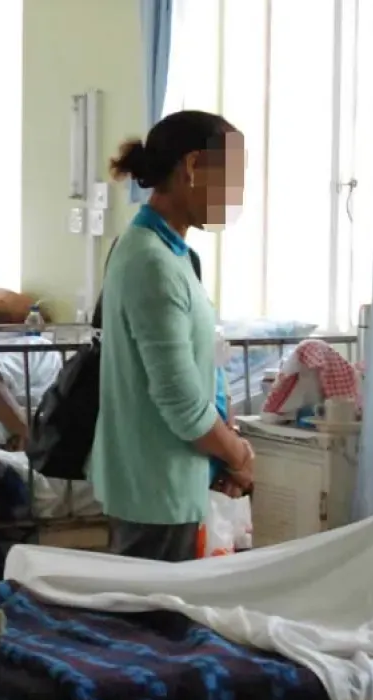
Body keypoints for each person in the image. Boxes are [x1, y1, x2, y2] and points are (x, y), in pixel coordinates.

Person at [91, 110, 254, 562]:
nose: (237, 195)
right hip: (156, 493)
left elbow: (199, 370)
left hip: (170, 484)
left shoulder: (171, 253)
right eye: (233, 177)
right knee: (155, 627)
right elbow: (182, 405)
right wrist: (239, 454)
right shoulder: (152, 262)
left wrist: (224, 452)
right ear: (194, 168)